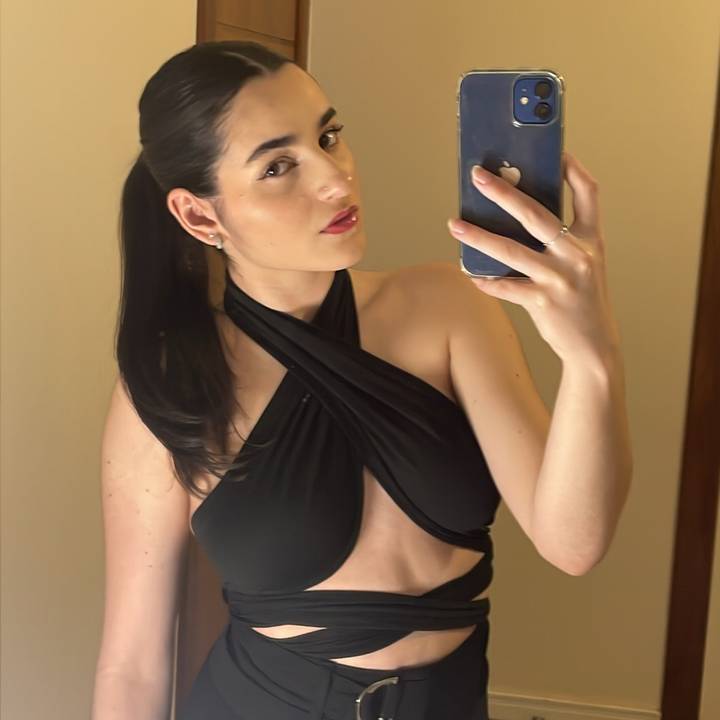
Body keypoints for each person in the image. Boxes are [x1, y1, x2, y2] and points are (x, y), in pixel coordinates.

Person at [92, 40, 631, 720]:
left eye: (329, 136)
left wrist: (592, 356)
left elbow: (575, 544)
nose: (335, 178)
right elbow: (133, 663)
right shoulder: (175, 382)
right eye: (278, 166)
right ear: (200, 215)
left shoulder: (447, 307)